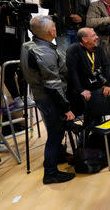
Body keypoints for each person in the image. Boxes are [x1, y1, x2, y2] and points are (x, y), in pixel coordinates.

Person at [20, 15, 75, 184]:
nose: (55, 28)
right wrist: (66, 108)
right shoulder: (44, 52)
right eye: (53, 26)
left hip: (40, 96)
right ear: (51, 31)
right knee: (55, 134)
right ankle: (50, 173)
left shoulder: (28, 45)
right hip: (49, 99)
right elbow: (53, 85)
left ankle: (58, 157)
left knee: (55, 132)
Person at [66, 28, 110, 126]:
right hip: (81, 91)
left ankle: (97, 136)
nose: (97, 37)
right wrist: (81, 90)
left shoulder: (98, 49)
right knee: (90, 119)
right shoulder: (73, 50)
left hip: (97, 89)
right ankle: (85, 138)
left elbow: (106, 66)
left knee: (98, 114)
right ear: (84, 39)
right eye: (93, 35)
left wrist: (108, 84)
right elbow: (72, 72)